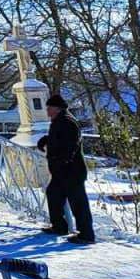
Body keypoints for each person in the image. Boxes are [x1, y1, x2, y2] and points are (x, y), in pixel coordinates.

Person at [36, 93, 95, 244]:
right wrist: (45, 140)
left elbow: (71, 144)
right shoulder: (58, 121)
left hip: (71, 171)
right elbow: (58, 139)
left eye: (49, 108)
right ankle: (59, 226)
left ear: (57, 108)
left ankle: (86, 234)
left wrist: (62, 160)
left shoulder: (67, 122)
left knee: (78, 203)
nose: (47, 111)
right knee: (53, 194)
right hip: (61, 171)